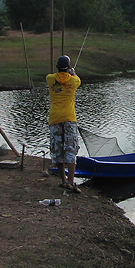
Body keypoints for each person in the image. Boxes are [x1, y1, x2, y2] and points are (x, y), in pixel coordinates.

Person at [47, 54, 82, 193]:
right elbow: (75, 77)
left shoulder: (50, 79)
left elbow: (54, 76)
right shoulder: (74, 81)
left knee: (58, 150)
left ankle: (63, 180)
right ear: (68, 67)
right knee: (70, 150)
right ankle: (71, 182)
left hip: (55, 118)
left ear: (56, 67)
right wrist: (72, 72)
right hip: (69, 118)